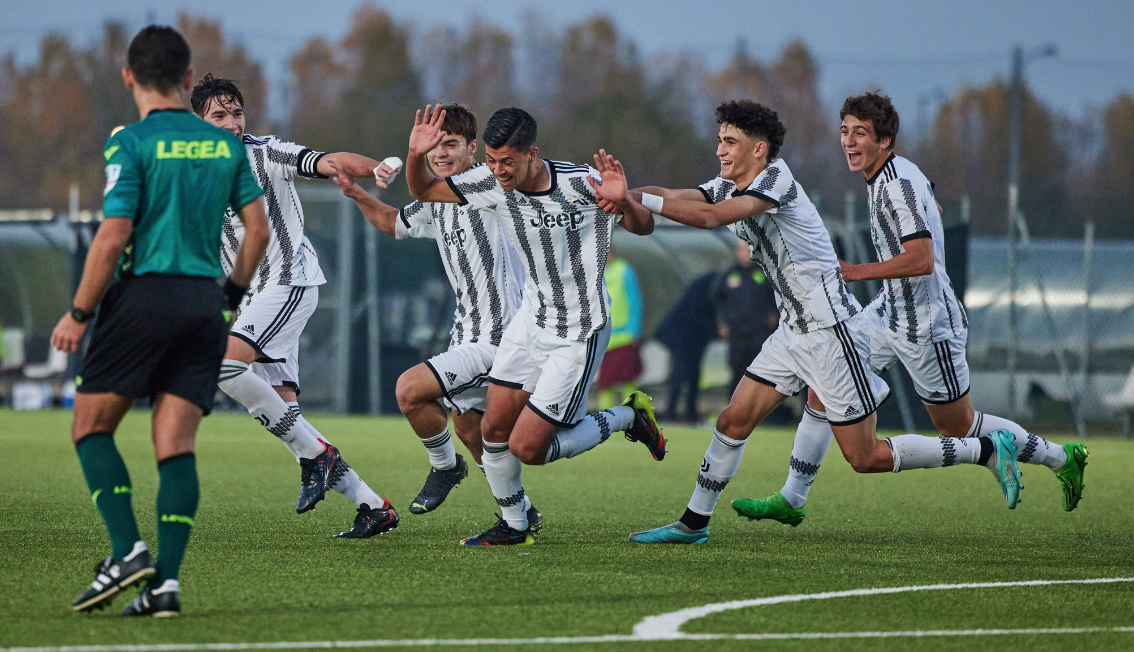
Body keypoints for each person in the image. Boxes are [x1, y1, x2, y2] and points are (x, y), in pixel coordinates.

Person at [599, 99, 1023, 545]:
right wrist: (625, 192)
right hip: (793, 331)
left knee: (865, 457)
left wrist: (635, 199)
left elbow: (709, 217)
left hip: (830, 333)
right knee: (732, 421)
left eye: (730, 141)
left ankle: (984, 449)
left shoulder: (776, 180)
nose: (720, 150)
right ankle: (694, 523)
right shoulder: (727, 184)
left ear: (759, 149)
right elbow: (680, 196)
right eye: (720, 140)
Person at [735, 92, 1089, 527]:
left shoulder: (896, 184)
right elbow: (921, 194)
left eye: (860, 133)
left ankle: (1060, 458)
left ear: (884, 141)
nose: (849, 141)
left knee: (958, 427)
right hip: (888, 312)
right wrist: (928, 202)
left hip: (928, 327)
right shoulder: (893, 174)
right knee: (826, 381)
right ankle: (793, 496)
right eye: (845, 131)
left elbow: (921, 261)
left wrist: (856, 271)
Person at [52, 26, 269, 616]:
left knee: (91, 428)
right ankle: (165, 586)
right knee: (176, 445)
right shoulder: (224, 146)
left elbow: (113, 234)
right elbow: (258, 230)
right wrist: (228, 296)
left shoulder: (131, 141)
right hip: (203, 304)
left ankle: (126, 550)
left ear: (129, 77)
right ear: (188, 78)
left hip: (143, 299)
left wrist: (79, 312)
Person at [405, 104, 666, 545]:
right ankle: (515, 525)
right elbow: (426, 190)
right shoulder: (490, 183)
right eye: (492, 160)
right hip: (530, 323)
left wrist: (624, 202)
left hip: (579, 331)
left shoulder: (580, 183)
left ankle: (628, 416)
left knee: (529, 449)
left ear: (532, 154)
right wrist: (416, 155)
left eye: (507, 161)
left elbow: (645, 226)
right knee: (491, 429)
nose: (498, 170)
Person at [191, 74, 395, 539]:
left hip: (289, 282)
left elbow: (327, 161)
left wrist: (375, 169)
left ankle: (318, 458)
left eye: (237, 113)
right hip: (254, 298)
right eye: (219, 115)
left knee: (221, 365)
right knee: (286, 416)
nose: (232, 123)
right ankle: (372, 506)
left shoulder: (266, 153)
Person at [330, 103, 541, 526]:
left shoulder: (489, 182)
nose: (440, 153)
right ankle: (519, 513)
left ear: (473, 148)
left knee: (409, 390)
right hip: (467, 334)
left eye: (451, 144)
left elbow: (421, 187)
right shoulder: (439, 197)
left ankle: (446, 467)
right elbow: (394, 223)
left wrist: (413, 155)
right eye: (434, 146)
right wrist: (357, 195)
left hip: (503, 337)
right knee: (470, 429)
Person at [653, 272, 718, 424]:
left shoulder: (703, 286)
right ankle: (673, 413)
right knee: (680, 373)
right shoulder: (705, 290)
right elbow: (699, 314)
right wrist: (716, 331)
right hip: (682, 336)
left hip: (691, 337)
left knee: (691, 373)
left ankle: (687, 413)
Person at [714, 240, 778, 392]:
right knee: (737, 368)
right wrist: (722, 322)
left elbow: (775, 295)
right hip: (737, 331)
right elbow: (718, 299)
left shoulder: (763, 272)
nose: (746, 253)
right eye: (743, 250)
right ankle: (734, 401)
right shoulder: (730, 274)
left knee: (760, 368)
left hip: (759, 330)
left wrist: (774, 314)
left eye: (749, 250)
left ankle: (760, 403)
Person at [596, 246, 644, 407]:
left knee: (628, 380)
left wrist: (635, 330)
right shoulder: (593, 273)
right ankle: (604, 416)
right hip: (604, 338)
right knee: (605, 384)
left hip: (624, 336)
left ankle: (633, 414)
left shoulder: (624, 270)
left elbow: (635, 301)